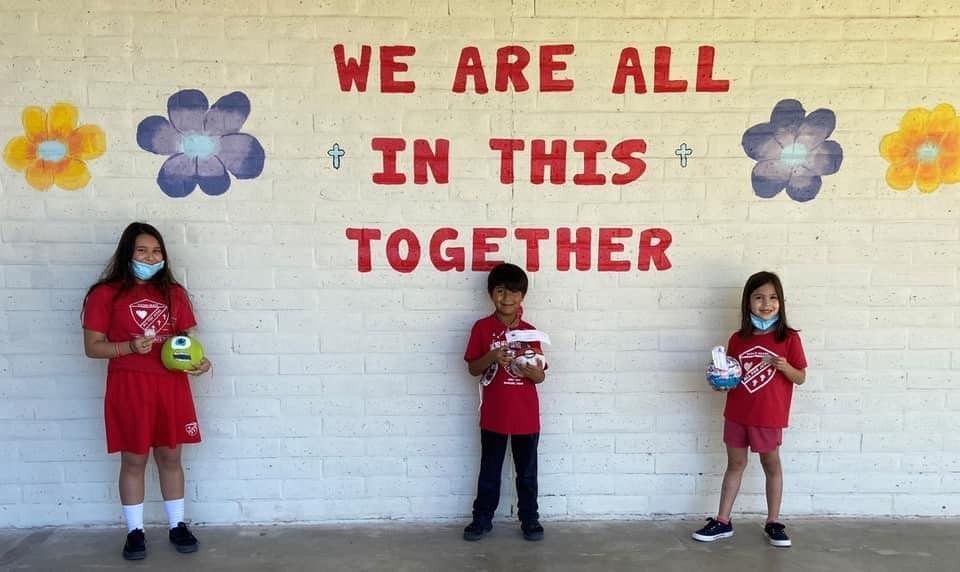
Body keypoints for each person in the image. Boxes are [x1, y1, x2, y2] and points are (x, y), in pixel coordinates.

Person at [81, 222, 211, 560]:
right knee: (134, 459)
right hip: (129, 386)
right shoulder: (104, 294)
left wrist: (198, 362)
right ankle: (135, 532)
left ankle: (177, 525)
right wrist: (129, 347)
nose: (150, 257)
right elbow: (93, 347)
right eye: (141, 250)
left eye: (156, 251)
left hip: (170, 386)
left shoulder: (174, 293)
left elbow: (187, 341)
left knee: (170, 455)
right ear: (127, 253)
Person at [692, 270, 807, 548]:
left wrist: (784, 366)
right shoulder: (738, 338)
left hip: (768, 417)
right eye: (758, 297)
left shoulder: (789, 338)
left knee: (771, 465)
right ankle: (722, 520)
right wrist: (721, 383)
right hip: (737, 414)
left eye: (772, 298)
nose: (765, 304)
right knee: (735, 465)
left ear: (781, 302)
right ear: (748, 303)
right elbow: (732, 374)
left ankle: (774, 521)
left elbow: (800, 377)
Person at [461, 263, 548, 542]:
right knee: (489, 470)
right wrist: (493, 355)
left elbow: (540, 376)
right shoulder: (482, 328)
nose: (507, 298)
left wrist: (528, 368)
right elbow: (474, 368)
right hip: (494, 414)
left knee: (527, 473)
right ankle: (482, 519)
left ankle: (530, 519)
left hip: (526, 416)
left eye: (514, 292)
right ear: (491, 294)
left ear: (522, 296)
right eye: (500, 291)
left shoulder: (531, 332)